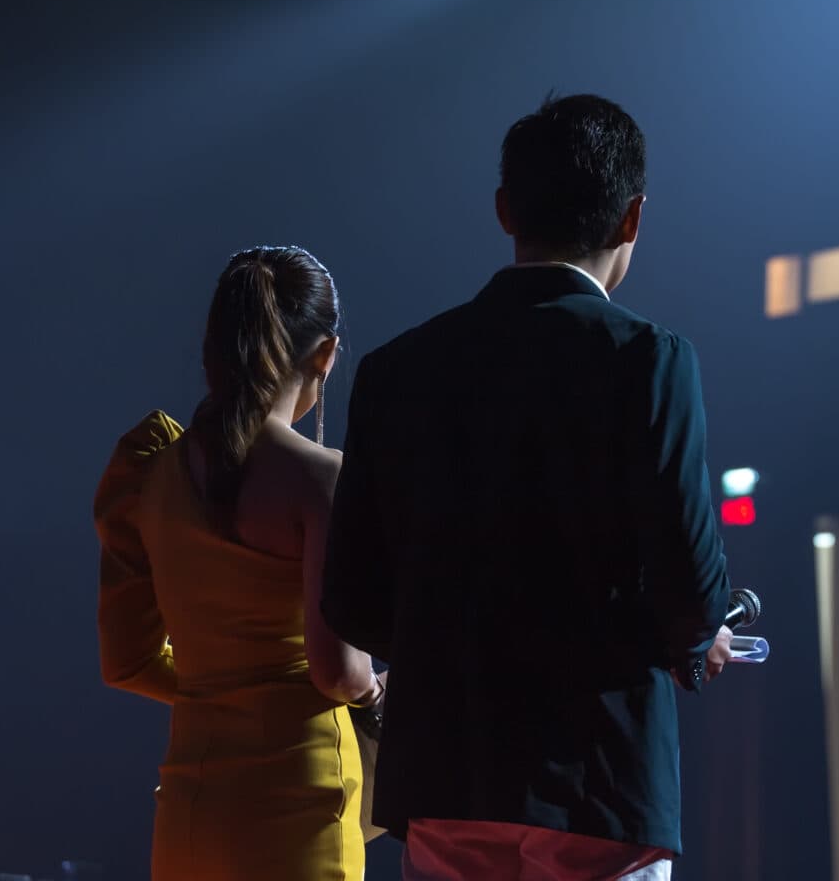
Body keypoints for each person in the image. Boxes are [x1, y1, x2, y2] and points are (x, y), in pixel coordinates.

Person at [322, 94, 734, 881]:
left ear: (506, 210)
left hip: (448, 770)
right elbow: (688, 577)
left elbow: (353, 601)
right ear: (633, 219)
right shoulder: (650, 359)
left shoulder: (395, 371)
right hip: (601, 779)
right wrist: (690, 642)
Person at [94, 246, 383, 881]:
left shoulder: (150, 471)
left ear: (213, 350)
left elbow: (128, 662)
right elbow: (337, 671)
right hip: (301, 798)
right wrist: (377, 692)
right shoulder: (321, 480)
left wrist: (220, 688)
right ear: (326, 354)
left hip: (193, 802)